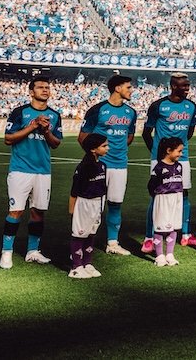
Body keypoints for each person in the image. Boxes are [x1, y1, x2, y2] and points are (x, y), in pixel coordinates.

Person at [0, 76, 63, 269]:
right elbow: (8, 139)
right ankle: (7, 251)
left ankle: (33, 251)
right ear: (31, 91)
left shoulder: (54, 115)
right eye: (40, 87)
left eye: (47, 87)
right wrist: (33, 126)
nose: (45, 90)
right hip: (20, 170)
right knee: (16, 211)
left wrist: (45, 131)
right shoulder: (20, 113)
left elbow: (56, 144)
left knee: (38, 213)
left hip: (43, 171)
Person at [77, 74, 137, 257]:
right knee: (93, 205)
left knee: (116, 204)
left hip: (120, 164)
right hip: (99, 165)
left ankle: (112, 243)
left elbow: (129, 137)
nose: (131, 90)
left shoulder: (131, 112)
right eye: (128, 87)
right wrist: (96, 156)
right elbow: (83, 137)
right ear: (117, 88)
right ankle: (82, 243)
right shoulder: (97, 110)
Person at [141, 73, 196, 253]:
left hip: (183, 158)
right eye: (184, 86)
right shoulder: (158, 106)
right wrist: (158, 155)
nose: (187, 89)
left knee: (184, 194)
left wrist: (178, 149)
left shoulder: (191, 106)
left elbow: (189, 133)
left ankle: (185, 235)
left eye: (188, 86)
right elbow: (146, 133)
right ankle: (149, 237)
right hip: (160, 160)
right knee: (157, 196)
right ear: (174, 86)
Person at [69, 133, 109, 279]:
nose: (107, 148)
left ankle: (87, 263)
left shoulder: (103, 166)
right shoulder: (83, 167)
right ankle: (76, 267)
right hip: (84, 203)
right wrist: (72, 209)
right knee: (79, 234)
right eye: (104, 146)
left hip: (97, 203)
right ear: (93, 149)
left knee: (91, 233)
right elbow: (75, 190)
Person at [148, 136, 185, 266]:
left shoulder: (179, 166)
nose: (181, 154)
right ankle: (159, 256)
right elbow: (151, 186)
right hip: (162, 198)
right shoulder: (159, 168)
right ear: (169, 150)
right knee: (160, 227)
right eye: (179, 151)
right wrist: (158, 196)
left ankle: (170, 254)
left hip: (177, 198)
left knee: (173, 226)